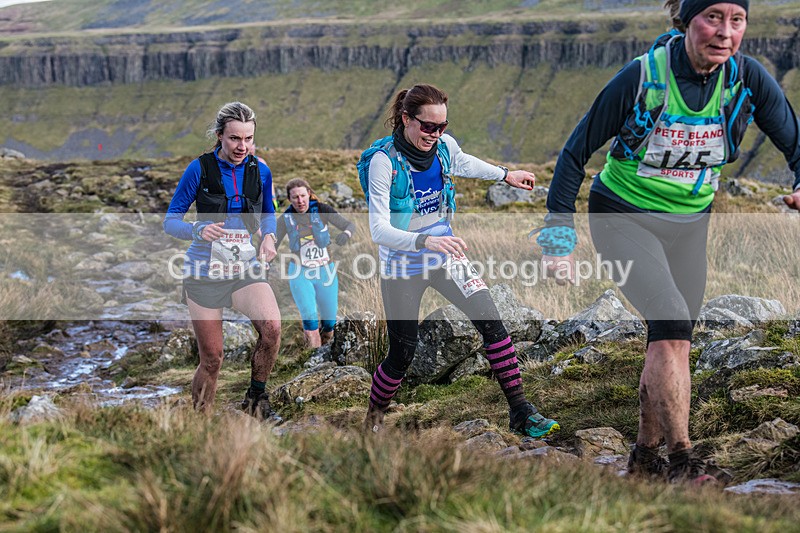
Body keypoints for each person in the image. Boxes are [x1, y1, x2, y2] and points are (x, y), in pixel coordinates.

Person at [537, 0, 800, 484]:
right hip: (622, 217)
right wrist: (558, 241)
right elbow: (575, 153)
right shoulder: (641, 77)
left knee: (674, 340)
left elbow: (794, 141)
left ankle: (642, 461)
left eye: (736, 20)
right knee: (672, 323)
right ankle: (683, 463)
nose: (724, 32)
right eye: (712, 17)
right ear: (687, 22)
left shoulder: (747, 79)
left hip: (689, 225)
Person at [361, 83, 560, 438]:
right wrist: (425, 240)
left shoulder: (443, 147)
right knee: (402, 354)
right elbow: (378, 230)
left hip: (446, 253)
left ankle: (521, 412)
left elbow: (461, 161)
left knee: (492, 323)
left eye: (442, 127)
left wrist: (505, 174)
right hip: (403, 264)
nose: (435, 135)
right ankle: (373, 421)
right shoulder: (383, 163)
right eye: (428, 127)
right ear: (406, 119)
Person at [164, 101, 283, 422]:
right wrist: (197, 229)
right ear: (220, 136)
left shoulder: (261, 170)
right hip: (204, 272)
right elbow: (170, 221)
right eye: (234, 139)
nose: (241, 146)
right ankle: (202, 423)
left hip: (245, 268)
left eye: (248, 139)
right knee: (213, 359)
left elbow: (268, 213)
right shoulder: (199, 169)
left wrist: (269, 236)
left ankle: (256, 398)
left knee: (272, 329)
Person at [274, 178, 356, 348]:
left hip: (325, 271)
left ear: (309, 194)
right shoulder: (285, 219)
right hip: (299, 272)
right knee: (310, 317)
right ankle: (312, 363)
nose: (300, 200)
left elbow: (348, 224)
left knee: (329, 323)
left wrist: (346, 234)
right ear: (289, 199)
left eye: (303, 195)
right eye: (295, 197)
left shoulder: (322, 210)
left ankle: (323, 351)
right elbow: (271, 243)